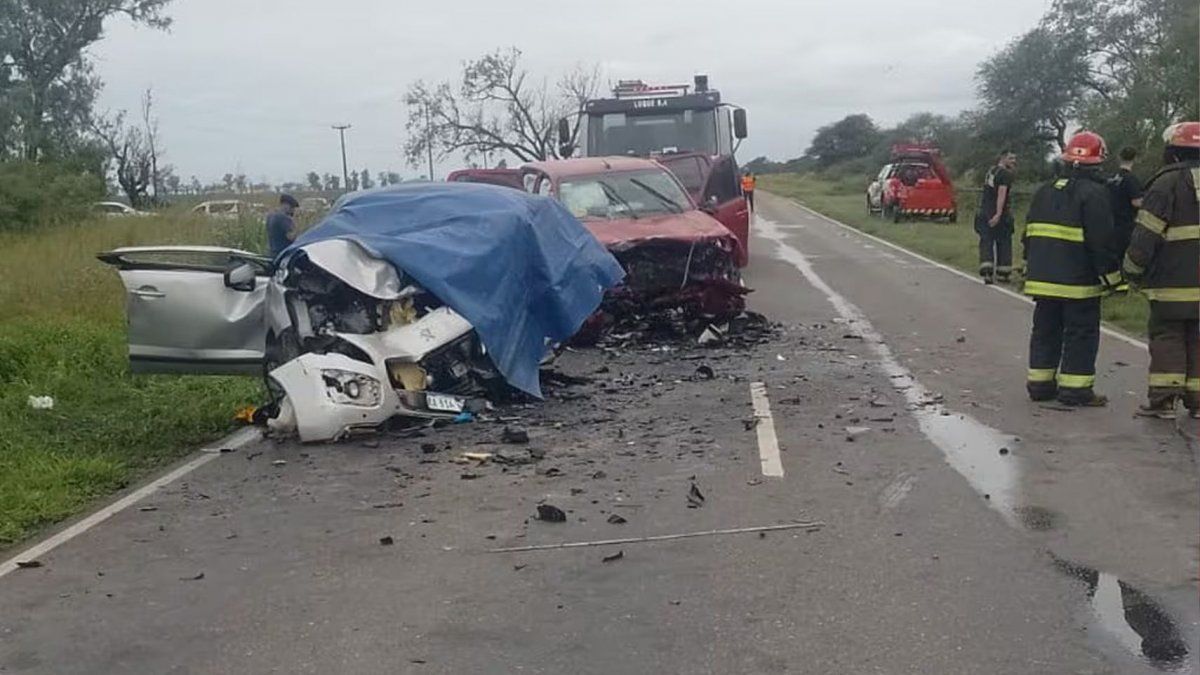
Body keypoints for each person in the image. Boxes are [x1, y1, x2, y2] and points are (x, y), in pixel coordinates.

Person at [1022, 131, 1121, 407]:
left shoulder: (1043, 191)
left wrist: (1030, 266)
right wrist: (1114, 279)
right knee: (1080, 334)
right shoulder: (1096, 194)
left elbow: (1028, 234)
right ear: (1098, 162)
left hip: (1042, 280)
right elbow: (1101, 242)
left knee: (1045, 332)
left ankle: (1040, 385)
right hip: (1079, 283)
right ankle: (1075, 391)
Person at [1124, 121, 1200, 419]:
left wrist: (1132, 270)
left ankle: (1164, 400)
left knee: (1168, 335)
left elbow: (1146, 235)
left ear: (1174, 152)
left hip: (1172, 281)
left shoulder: (1165, 184)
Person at [976, 151, 1017, 284]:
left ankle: (987, 271)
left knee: (986, 242)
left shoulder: (991, 171)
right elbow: (1001, 194)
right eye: (1011, 158)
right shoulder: (1005, 174)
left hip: (984, 211)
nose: (1014, 161)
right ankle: (1003, 273)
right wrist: (998, 214)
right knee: (1004, 242)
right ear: (1003, 158)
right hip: (999, 214)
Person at [1107, 146, 1144, 264]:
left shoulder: (1111, 178)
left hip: (1110, 225)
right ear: (1135, 159)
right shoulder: (1131, 179)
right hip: (1126, 227)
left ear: (1119, 158)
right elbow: (1136, 202)